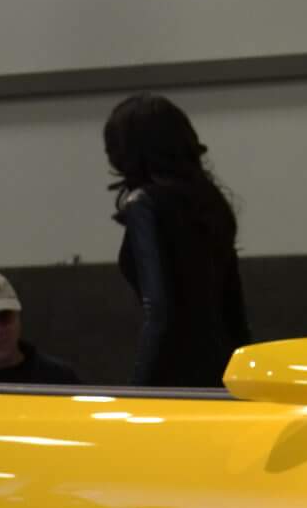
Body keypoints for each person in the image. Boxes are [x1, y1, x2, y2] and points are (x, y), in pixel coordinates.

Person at [104, 94, 252, 387]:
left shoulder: (144, 204)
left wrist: (138, 388)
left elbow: (158, 310)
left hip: (173, 373)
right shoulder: (210, 202)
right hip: (224, 369)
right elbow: (233, 305)